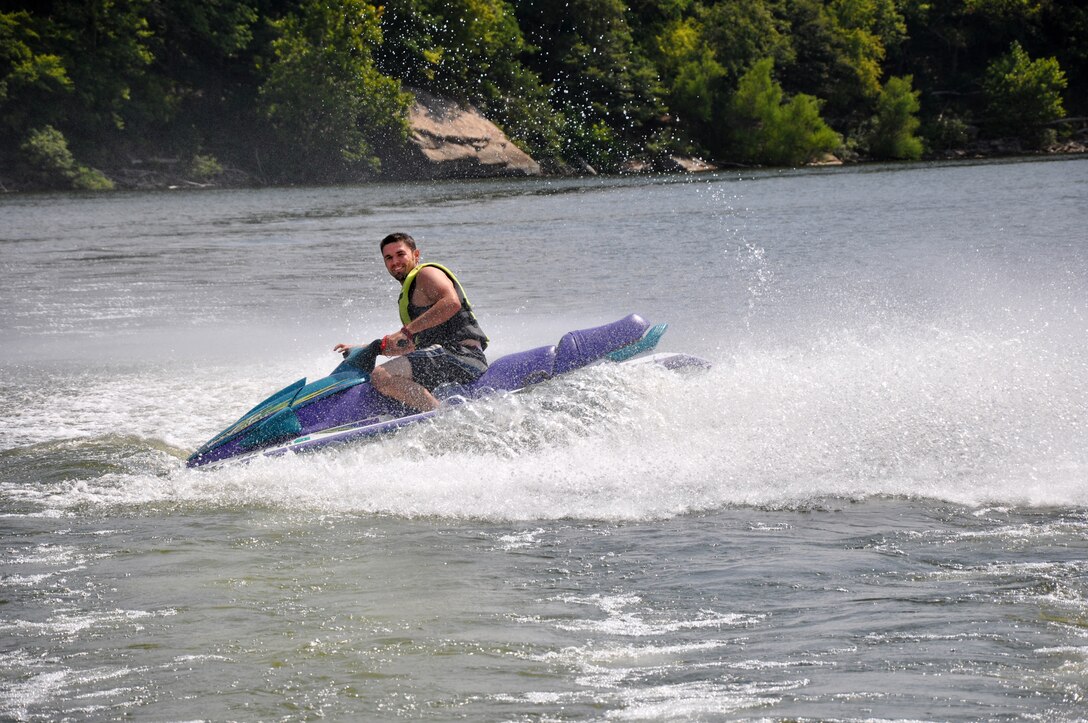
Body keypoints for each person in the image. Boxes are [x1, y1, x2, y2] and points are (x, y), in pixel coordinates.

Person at [334, 233, 488, 412]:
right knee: (378, 379)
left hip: (463, 356)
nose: (395, 261)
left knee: (382, 376)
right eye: (389, 258)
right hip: (443, 357)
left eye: (401, 254)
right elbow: (409, 346)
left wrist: (407, 331)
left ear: (416, 255)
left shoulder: (426, 273)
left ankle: (441, 419)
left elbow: (451, 303)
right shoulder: (409, 294)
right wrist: (365, 348)